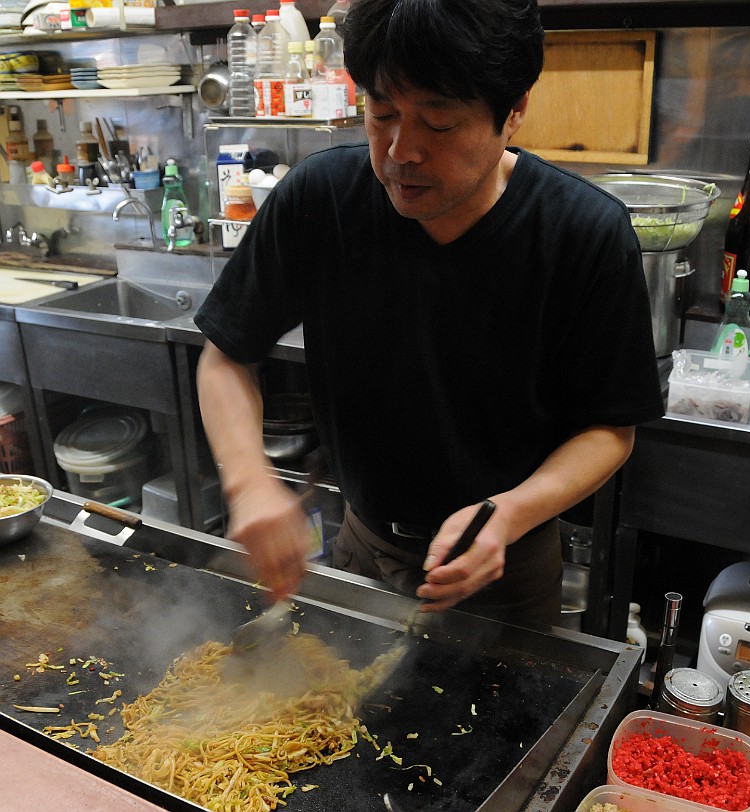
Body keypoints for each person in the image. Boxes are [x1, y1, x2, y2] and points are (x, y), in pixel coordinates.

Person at [194, 0, 664, 631]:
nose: (400, 151)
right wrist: (249, 481)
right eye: (381, 112)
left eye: (438, 123)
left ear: (514, 111)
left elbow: (611, 430)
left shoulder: (584, 234)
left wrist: (510, 514)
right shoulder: (321, 198)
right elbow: (228, 353)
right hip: (361, 548)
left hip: (502, 567)